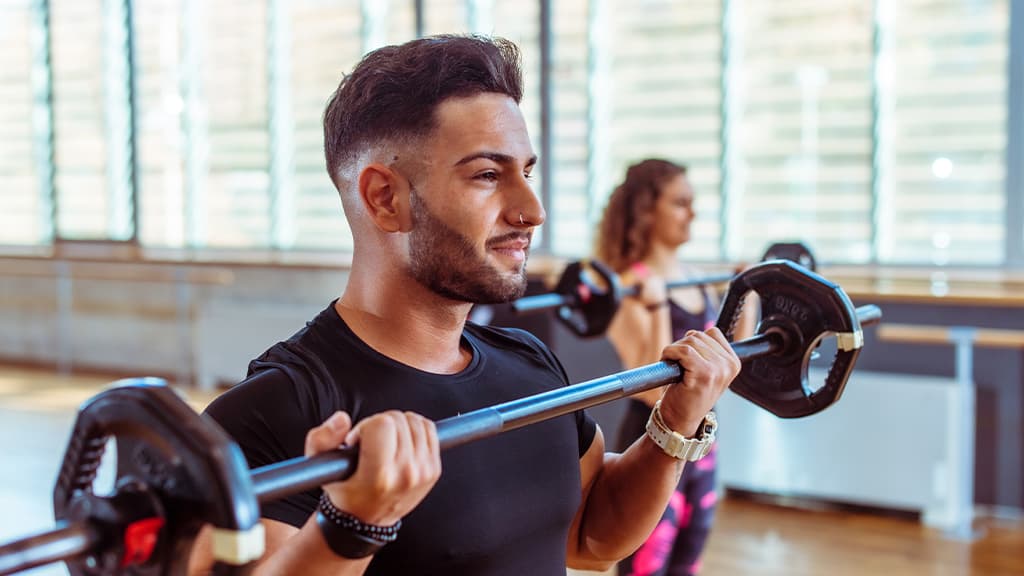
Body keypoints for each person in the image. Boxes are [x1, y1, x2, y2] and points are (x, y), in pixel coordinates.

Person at [188, 35, 740, 576]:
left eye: (526, 172)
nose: (532, 210)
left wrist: (676, 421)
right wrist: (351, 526)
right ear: (385, 198)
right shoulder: (271, 414)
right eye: (487, 175)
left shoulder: (529, 364)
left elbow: (592, 540)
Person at [595, 159, 755, 576]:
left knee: (689, 556)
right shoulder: (628, 286)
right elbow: (651, 389)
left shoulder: (696, 280)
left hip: (703, 441)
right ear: (648, 211)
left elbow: (731, 364)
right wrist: (655, 306)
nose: (692, 214)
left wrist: (749, 294)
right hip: (654, 438)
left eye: (692, 203)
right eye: (680, 203)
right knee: (645, 564)